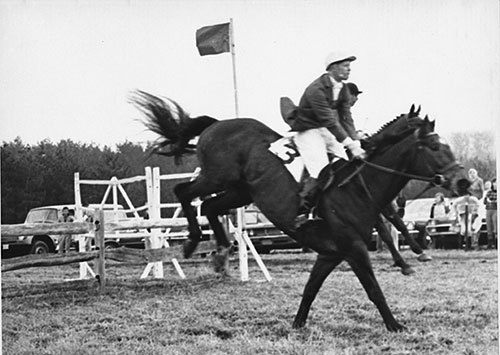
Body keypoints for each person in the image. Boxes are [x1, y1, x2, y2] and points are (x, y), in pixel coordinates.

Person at [280, 52, 366, 218]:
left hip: (324, 129)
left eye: (349, 66)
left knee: (345, 165)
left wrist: (356, 142)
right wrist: (352, 145)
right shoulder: (315, 89)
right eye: (345, 66)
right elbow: (330, 121)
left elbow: (346, 118)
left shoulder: (343, 89)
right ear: (333, 67)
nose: (349, 70)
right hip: (307, 131)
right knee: (321, 171)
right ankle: (301, 211)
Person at [453, 181, 480, 250]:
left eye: (467, 196)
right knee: (463, 230)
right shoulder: (459, 200)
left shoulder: (473, 199)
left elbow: (478, 204)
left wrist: (475, 211)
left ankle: (469, 244)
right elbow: (454, 205)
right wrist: (456, 213)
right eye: (465, 196)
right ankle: (461, 244)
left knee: (469, 230)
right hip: (462, 215)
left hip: (471, 215)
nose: (466, 197)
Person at [483, 178, 497, 249]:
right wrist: (487, 200)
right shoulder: (489, 192)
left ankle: (496, 242)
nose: (495, 184)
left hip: (496, 210)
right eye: (494, 183)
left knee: (495, 224)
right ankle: (490, 242)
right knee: (489, 225)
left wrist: (493, 201)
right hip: (488, 210)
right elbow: (484, 202)